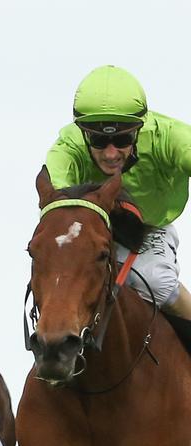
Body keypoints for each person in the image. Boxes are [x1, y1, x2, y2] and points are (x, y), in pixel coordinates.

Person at [46, 64, 191, 319]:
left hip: (149, 228)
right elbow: (56, 210)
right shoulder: (67, 149)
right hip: (92, 228)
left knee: (158, 283)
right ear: (83, 133)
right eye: (99, 141)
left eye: (122, 140)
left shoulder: (172, 138)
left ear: (139, 129)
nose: (111, 153)